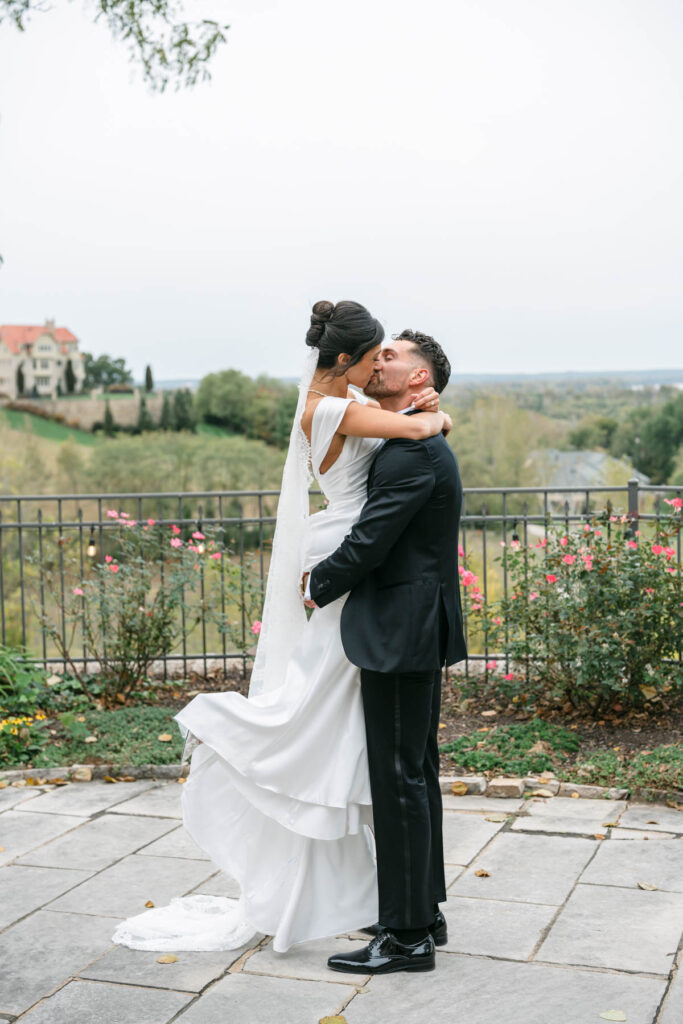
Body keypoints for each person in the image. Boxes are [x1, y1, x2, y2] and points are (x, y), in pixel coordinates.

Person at [111, 300, 450, 955]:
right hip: (350, 566)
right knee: (322, 712)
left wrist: (415, 406)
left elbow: (400, 426)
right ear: (345, 360)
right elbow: (416, 432)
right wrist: (431, 413)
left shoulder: (342, 403)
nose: (380, 364)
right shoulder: (329, 409)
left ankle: (392, 897)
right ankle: (235, 730)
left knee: (351, 726)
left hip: (353, 565)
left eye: (390, 357)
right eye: (375, 354)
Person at [305, 328, 467, 975]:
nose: (381, 361)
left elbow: (370, 540)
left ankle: (406, 939)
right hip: (411, 626)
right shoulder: (410, 437)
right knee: (413, 773)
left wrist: (316, 584)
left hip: (400, 630)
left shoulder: (411, 454)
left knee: (397, 779)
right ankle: (420, 912)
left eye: (394, 356)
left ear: (420, 381)